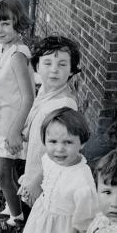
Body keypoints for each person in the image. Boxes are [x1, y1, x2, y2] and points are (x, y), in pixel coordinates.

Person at [0, 0, 35, 226]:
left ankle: (16, 218)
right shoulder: (5, 47)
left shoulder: (17, 55)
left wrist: (15, 131)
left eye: (5, 23)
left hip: (11, 123)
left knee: (2, 174)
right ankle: (12, 206)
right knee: (7, 172)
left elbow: (28, 96)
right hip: (1, 117)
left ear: (18, 22)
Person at [17, 36, 81, 207]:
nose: (54, 70)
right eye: (47, 63)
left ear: (71, 71)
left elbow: (62, 151)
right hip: (35, 166)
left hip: (48, 177)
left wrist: (36, 181)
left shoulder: (63, 105)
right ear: (37, 66)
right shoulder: (45, 92)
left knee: (43, 219)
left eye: (62, 64)